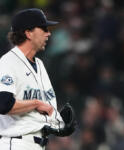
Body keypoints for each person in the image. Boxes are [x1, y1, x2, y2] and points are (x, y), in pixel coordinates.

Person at [0, 8, 76, 150]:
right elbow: (4, 104)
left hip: (39, 144)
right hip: (17, 143)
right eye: (43, 29)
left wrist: (59, 125)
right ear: (28, 33)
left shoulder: (40, 65)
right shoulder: (7, 62)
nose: (48, 33)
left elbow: (45, 107)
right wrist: (35, 103)